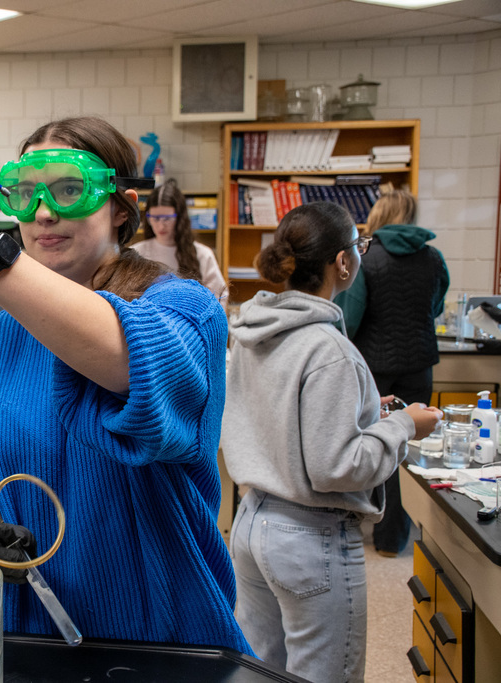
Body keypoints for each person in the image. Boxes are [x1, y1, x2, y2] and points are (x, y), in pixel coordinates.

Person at [0, 116, 251, 652]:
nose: (44, 212)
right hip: (32, 641)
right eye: (25, 193)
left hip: (165, 646)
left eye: (69, 189)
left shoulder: (186, 310)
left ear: (121, 207)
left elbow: (132, 365)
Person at [221, 201, 442, 683]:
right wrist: (404, 426)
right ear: (343, 263)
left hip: (252, 522)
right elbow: (336, 467)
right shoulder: (328, 348)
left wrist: (364, 411)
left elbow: (277, 414)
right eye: (359, 247)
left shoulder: (256, 330)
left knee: (261, 671)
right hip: (309, 537)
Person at [334, 189, 449, 557]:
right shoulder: (433, 257)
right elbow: (436, 306)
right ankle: (403, 534)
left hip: (375, 368)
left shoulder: (366, 259)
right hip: (419, 365)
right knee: (411, 446)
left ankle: (379, 532)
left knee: (377, 445)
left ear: (379, 216)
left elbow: (349, 319)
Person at [132, 179, 227, 304]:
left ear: (180, 217)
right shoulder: (137, 253)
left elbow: (220, 296)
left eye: (167, 218)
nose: (160, 226)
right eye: (155, 218)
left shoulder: (202, 254)